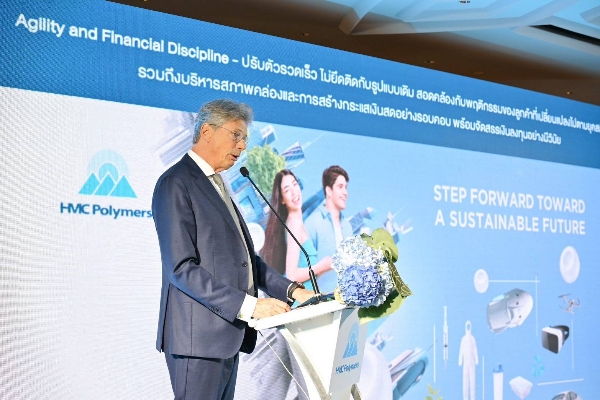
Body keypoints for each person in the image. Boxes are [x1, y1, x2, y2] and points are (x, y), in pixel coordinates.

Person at [152, 99, 314, 400]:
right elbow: (181, 269)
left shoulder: (217, 184)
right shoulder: (176, 183)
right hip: (197, 342)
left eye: (245, 139)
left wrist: (292, 291)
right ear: (207, 131)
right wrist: (251, 306)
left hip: (226, 337)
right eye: (235, 135)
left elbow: (246, 261)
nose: (242, 145)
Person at [261, 169, 332, 290]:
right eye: (287, 190)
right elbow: (292, 276)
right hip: (302, 299)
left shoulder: (296, 223)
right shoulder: (294, 223)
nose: (294, 192)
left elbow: (309, 275)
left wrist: (327, 266)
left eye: (295, 184)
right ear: (282, 199)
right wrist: (322, 266)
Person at [304, 165, 353, 293]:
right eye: (340, 187)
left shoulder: (347, 228)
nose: (345, 192)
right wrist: (322, 267)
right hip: (317, 299)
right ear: (329, 191)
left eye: (346, 187)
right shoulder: (313, 223)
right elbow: (298, 274)